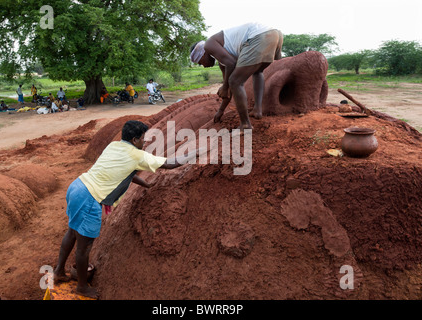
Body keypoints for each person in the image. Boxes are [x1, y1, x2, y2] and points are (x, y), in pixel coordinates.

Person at [53, 120, 194, 299]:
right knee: (84, 247)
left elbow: (124, 172)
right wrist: (196, 152)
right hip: (90, 198)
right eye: (143, 138)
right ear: (135, 139)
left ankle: (58, 271)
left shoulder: (115, 146)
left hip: (77, 187)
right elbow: (170, 164)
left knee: (72, 232)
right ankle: (82, 286)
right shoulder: (137, 155)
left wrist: (145, 184)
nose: (145, 141)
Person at [190, 22, 283, 130]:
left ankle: (245, 124)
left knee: (235, 81)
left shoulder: (208, 45)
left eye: (200, 62)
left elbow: (231, 72)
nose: (203, 66)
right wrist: (220, 111)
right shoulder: (222, 60)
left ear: (202, 54)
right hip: (275, 34)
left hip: (259, 36)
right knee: (257, 71)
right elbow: (229, 89)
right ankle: (258, 110)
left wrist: (225, 86)